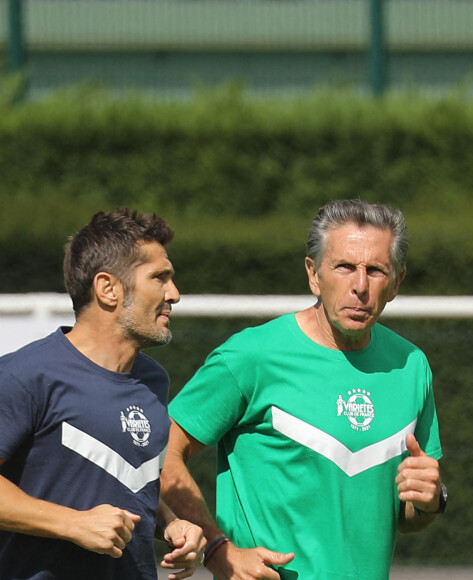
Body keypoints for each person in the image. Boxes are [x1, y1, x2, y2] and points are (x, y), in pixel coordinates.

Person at [162, 199, 447, 579]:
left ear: (396, 283)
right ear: (314, 274)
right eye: (344, 266)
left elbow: (405, 515)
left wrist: (429, 501)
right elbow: (161, 457)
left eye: (376, 270)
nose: (359, 286)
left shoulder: (411, 367)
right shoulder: (252, 356)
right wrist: (218, 550)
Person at [0, 208, 206, 580]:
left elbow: (128, 479)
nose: (173, 294)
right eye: (159, 278)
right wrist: (72, 524)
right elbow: (81, 519)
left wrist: (171, 524)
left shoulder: (152, 379)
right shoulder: (25, 374)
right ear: (107, 288)